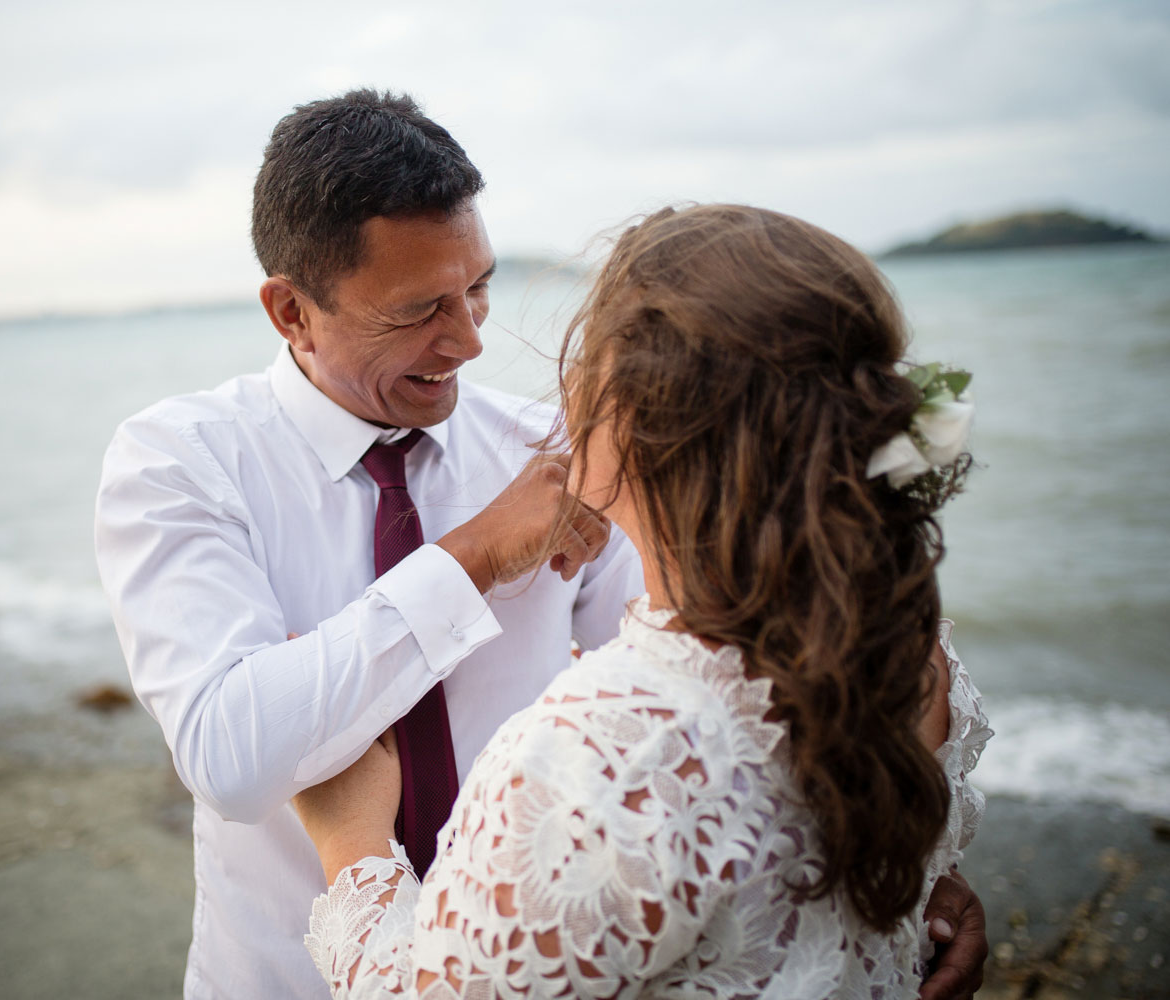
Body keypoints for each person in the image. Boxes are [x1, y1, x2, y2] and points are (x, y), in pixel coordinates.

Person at [94, 90, 987, 999]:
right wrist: (473, 557)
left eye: (477, 287)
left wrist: (899, 877)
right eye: (418, 310)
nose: (472, 340)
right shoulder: (182, 460)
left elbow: (717, 701)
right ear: (291, 312)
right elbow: (232, 762)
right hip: (283, 976)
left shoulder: (556, 451)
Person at [294, 203, 993, 998]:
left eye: (588, 356)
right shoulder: (910, 651)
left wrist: (351, 845)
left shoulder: (605, 760)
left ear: (628, 416)